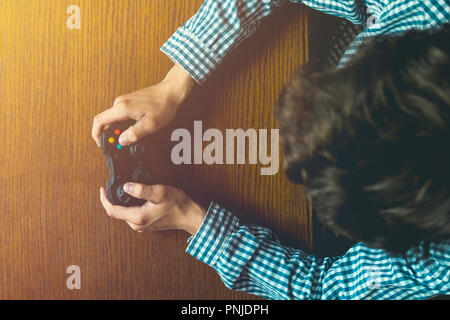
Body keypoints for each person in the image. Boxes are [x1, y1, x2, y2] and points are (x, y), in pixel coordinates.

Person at [92, 0, 450, 299]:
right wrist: (175, 82)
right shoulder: (423, 7)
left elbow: (327, 291)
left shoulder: (440, 263)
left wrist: (195, 221)